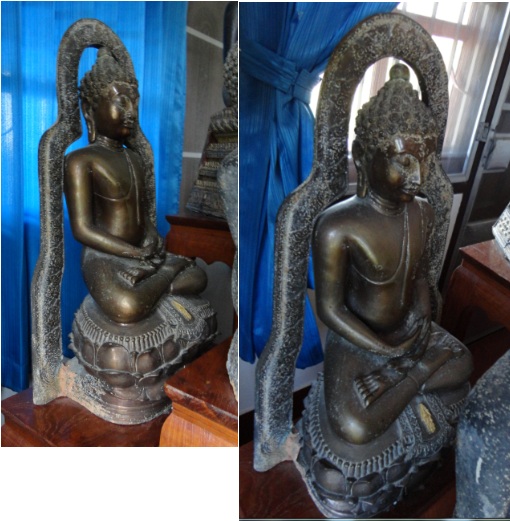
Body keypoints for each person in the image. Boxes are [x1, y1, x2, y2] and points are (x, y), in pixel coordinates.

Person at [312, 64, 472, 445]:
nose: (417, 176)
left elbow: (420, 277)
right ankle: (417, 377)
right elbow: (330, 310)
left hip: (408, 331)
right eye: (404, 161)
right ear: (363, 156)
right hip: (357, 341)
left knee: (464, 359)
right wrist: (383, 349)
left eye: (424, 160)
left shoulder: (423, 212)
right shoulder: (337, 226)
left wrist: (422, 317)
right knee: (354, 425)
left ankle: (406, 379)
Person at [64, 48, 206, 324]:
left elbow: (140, 214)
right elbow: (82, 229)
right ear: (90, 110)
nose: (131, 112)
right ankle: (165, 277)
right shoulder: (80, 161)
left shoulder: (135, 157)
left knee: (199, 277)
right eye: (121, 103)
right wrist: (132, 253)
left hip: (142, 254)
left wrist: (151, 235)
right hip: (104, 257)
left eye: (134, 104)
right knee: (127, 306)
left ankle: (154, 282)